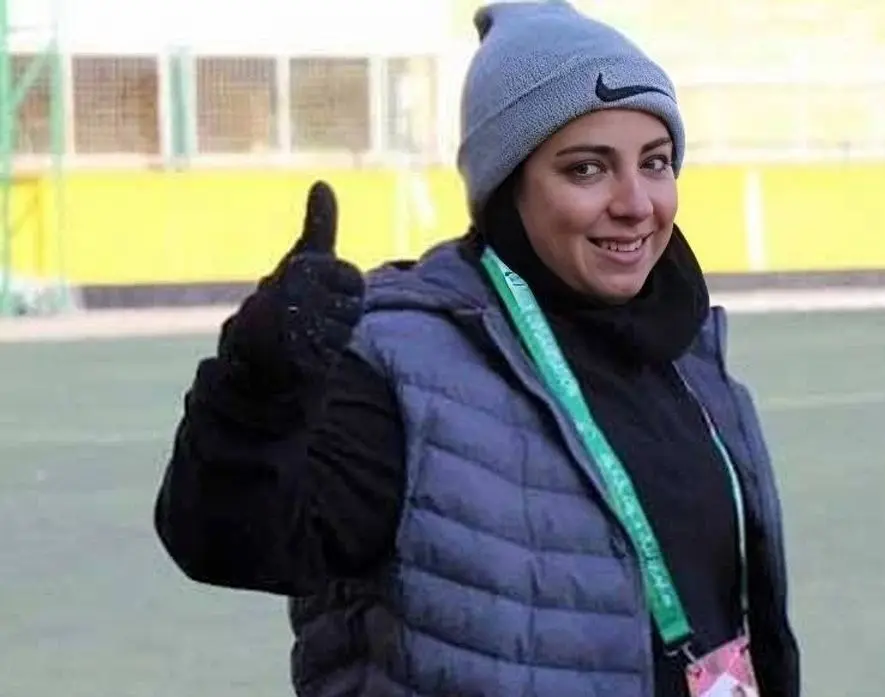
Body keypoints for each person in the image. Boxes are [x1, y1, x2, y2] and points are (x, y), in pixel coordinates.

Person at [152, 2, 801, 696]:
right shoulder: (405, 360)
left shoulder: (687, 351)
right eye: (587, 169)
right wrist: (256, 392)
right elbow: (227, 542)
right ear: (507, 185)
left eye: (656, 162)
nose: (636, 202)